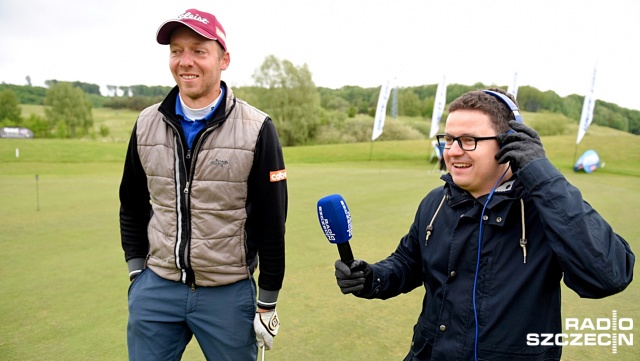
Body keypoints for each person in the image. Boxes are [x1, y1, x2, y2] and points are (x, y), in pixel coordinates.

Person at [334, 88, 634, 361]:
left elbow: (609, 275)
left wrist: (540, 173)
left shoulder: (546, 207)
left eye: (468, 140)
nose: (451, 151)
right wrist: (373, 277)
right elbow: (408, 262)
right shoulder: (435, 202)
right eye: (449, 139)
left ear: (509, 143)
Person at [119, 8, 287, 361]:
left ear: (224, 59)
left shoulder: (257, 128)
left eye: (198, 50)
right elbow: (132, 203)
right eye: (176, 50)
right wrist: (138, 272)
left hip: (227, 293)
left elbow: (272, 222)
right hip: (157, 289)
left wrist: (267, 300)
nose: (185, 61)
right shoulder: (146, 123)